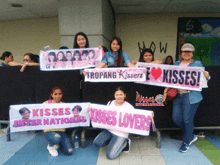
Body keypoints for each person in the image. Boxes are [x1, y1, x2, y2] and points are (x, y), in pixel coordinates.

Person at [163, 43, 210, 153]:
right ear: (181, 53)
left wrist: (207, 76)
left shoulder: (197, 63)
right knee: (176, 118)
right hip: (178, 95)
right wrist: (166, 90)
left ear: (192, 53)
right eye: (184, 51)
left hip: (191, 95)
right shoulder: (176, 63)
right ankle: (191, 136)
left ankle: (186, 141)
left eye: (189, 52)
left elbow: (204, 79)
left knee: (187, 120)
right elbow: (171, 78)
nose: (186, 53)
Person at [93, 87, 133, 160]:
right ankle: (113, 142)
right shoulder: (110, 103)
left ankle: (125, 143)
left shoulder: (129, 107)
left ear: (125, 95)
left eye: (121, 94)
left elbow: (136, 118)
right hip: (109, 130)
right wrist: (92, 109)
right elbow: (103, 113)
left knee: (110, 156)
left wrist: (148, 115)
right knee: (97, 143)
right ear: (114, 95)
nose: (119, 97)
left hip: (121, 133)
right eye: (117, 95)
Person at [43, 86, 73, 157]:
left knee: (69, 152)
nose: (58, 96)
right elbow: (34, 113)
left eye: (59, 94)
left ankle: (58, 143)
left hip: (61, 131)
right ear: (52, 94)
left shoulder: (64, 105)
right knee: (56, 138)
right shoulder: (45, 104)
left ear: (62, 94)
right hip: (49, 130)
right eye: (55, 94)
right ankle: (51, 146)